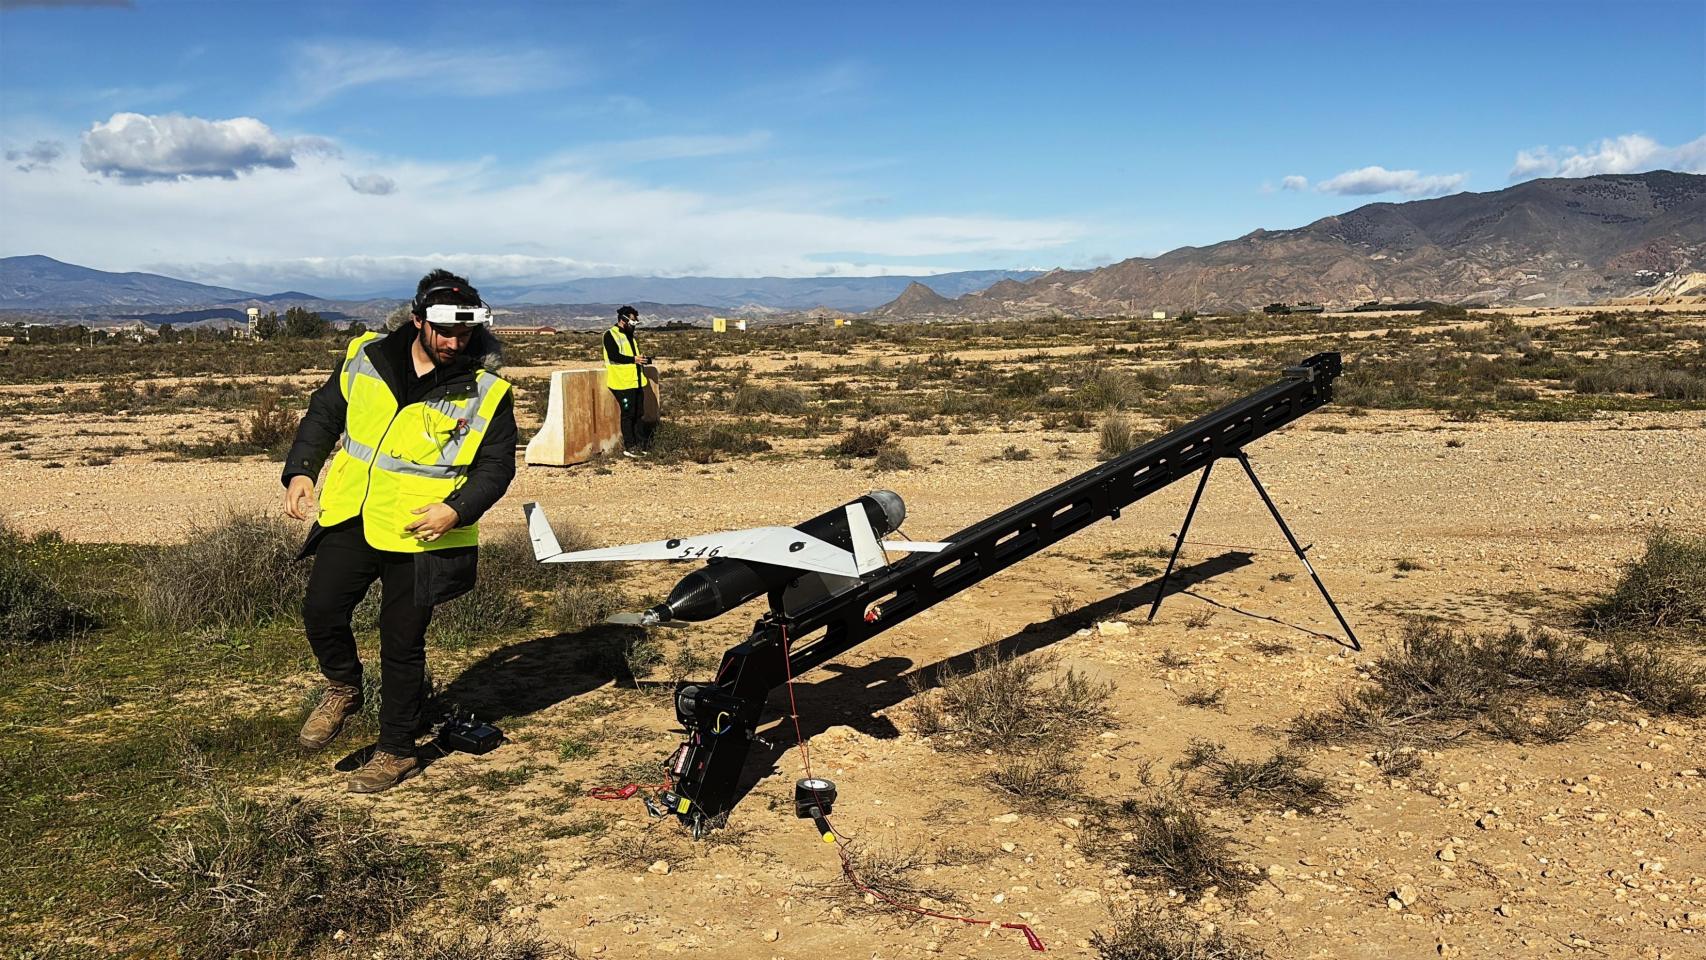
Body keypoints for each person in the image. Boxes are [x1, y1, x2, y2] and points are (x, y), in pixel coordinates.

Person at [281, 269, 518, 793]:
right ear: (418, 321)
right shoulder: (366, 357)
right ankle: (343, 686)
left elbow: (497, 467)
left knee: (402, 642)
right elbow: (325, 413)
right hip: (353, 513)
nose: (456, 343)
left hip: (422, 534)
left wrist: (456, 510)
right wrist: (301, 468)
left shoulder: (487, 391)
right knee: (321, 608)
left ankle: (395, 751)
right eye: (444, 332)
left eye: (465, 334)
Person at [603, 304, 654, 457]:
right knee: (628, 413)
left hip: (636, 382)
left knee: (639, 413)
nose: (634, 326)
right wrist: (633, 359)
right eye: (632, 322)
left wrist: (644, 360)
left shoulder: (630, 336)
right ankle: (630, 447)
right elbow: (614, 356)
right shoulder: (610, 334)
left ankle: (641, 445)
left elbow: (635, 358)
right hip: (621, 383)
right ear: (623, 321)